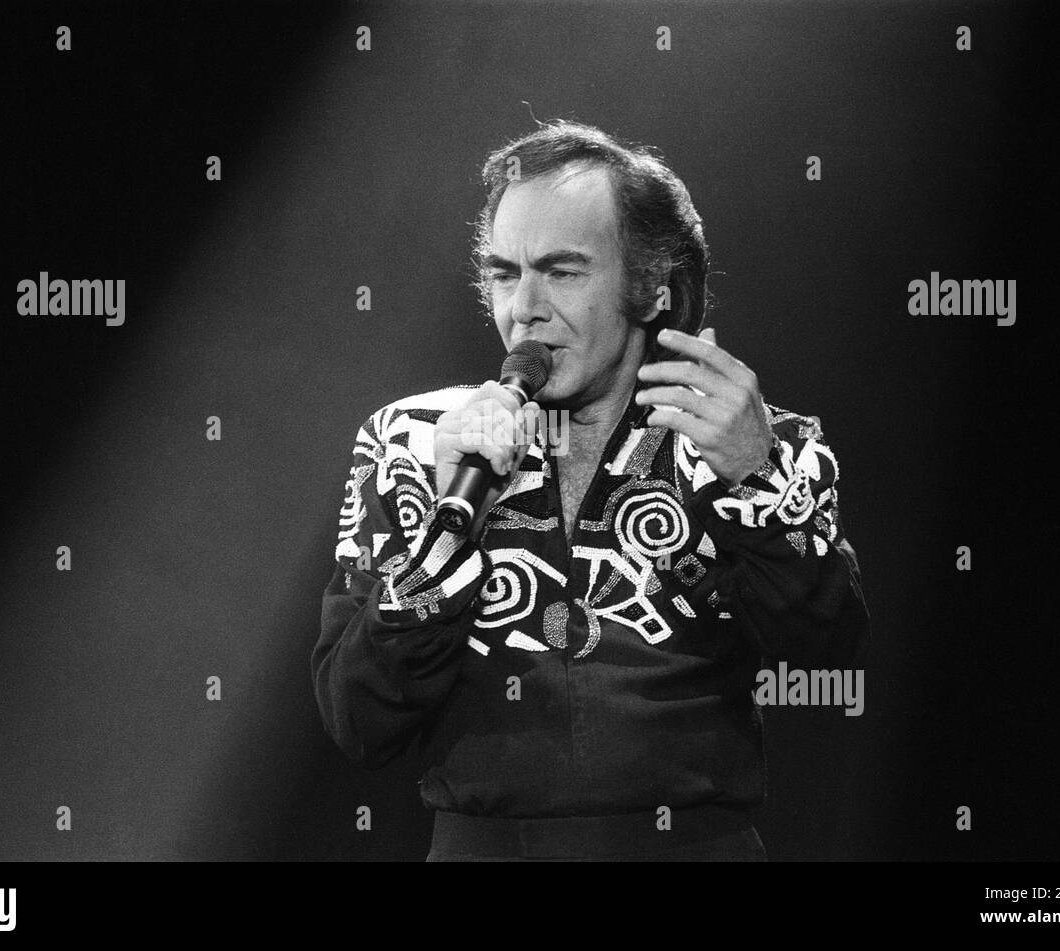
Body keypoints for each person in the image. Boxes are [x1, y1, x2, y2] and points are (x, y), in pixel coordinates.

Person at [312, 120, 870, 861]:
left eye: (563, 271)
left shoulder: (750, 437)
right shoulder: (409, 440)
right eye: (504, 273)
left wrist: (758, 478)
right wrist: (444, 536)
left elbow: (829, 645)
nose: (524, 308)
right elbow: (359, 718)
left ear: (651, 287)